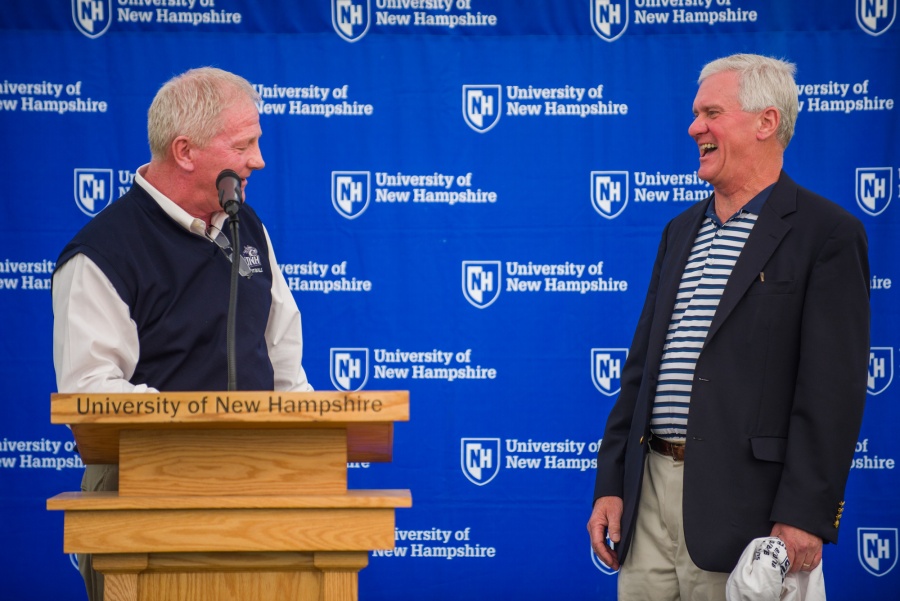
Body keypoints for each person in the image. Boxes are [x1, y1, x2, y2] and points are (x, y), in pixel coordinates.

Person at [587, 53, 869, 600]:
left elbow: (832, 394)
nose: (695, 127)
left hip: (746, 514)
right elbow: (641, 370)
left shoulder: (826, 233)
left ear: (766, 122)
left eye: (711, 113)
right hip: (646, 504)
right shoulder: (678, 231)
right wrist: (611, 485)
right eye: (696, 114)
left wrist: (804, 516)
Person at [52, 67, 313, 601]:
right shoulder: (103, 253)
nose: (258, 160)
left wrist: (310, 452)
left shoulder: (248, 228)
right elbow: (90, 393)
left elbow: (283, 365)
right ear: (186, 152)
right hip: (143, 499)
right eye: (244, 144)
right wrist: (201, 432)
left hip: (258, 490)